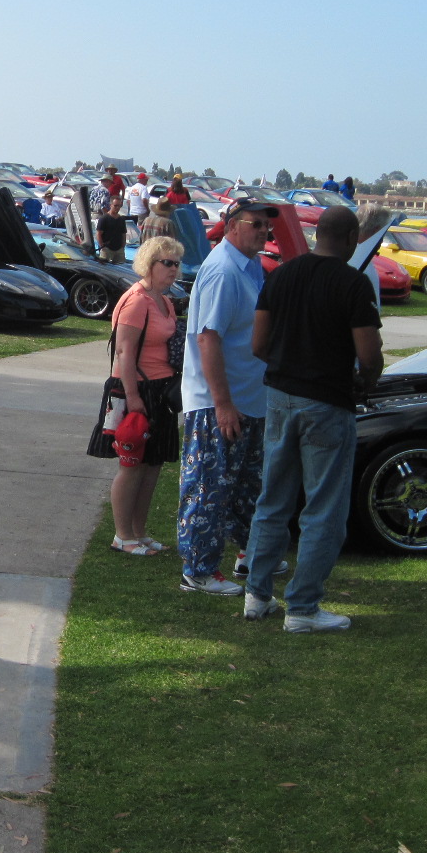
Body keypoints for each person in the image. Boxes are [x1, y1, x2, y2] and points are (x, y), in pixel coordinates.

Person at [240, 207, 382, 633]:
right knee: (323, 507)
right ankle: (302, 608)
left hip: (280, 396)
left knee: (273, 498)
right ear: (353, 237)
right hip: (327, 402)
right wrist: (364, 382)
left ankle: (256, 594)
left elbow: (259, 344)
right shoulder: (353, 283)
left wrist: (289, 365)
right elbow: (369, 355)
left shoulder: (280, 276)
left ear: (316, 233)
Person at [177, 199, 274, 596]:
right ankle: (198, 570)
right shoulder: (222, 270)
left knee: (245, 486)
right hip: (217, 403)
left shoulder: (250, 267)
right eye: (257, 224)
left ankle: (248, 555)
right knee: (209, 486)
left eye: (267, 226)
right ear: (232, 225)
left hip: (249, 399)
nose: (264, 232)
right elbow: (207, 337)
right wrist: (222, 403)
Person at [86, 235, 187, 555]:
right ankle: (122, 535)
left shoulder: (165, 300)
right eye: (167, 263)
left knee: (153, 463)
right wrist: (134, 398)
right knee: (132, 465)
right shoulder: (136, 300)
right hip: (134, 389)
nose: (173, 269)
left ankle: (139, 532)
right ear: (149, 264)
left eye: (176, 263)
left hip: (161, 390)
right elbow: (124, 355)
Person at [357, 205, 393, 313]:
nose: (381, 241)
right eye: (383, 234)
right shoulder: (361, 263)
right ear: (377, 231)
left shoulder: (351, 254)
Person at [96, 196, 128, 264]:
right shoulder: (104, 218)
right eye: (115, 206)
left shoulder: (121, 219)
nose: (117, 208)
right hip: (107, 249)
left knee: (121, 268)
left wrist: (123, 246)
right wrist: (102, 247)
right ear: (111, 205)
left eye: (119, 206)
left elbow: (123, 234)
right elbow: (99, 234)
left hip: (119, 250)